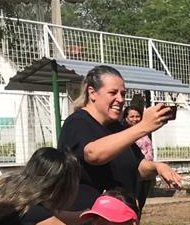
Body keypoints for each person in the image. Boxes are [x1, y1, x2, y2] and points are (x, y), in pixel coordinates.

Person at [59, 65, 182, 214]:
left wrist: (158, 167)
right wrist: (143, 126)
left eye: (123, 94)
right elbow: (93, 154)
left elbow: (138, 166)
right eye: (113, 93)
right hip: (88, 223)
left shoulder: (117, 127)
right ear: (92, 93)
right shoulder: (77, 122)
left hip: (120, 222)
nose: (120, 99)